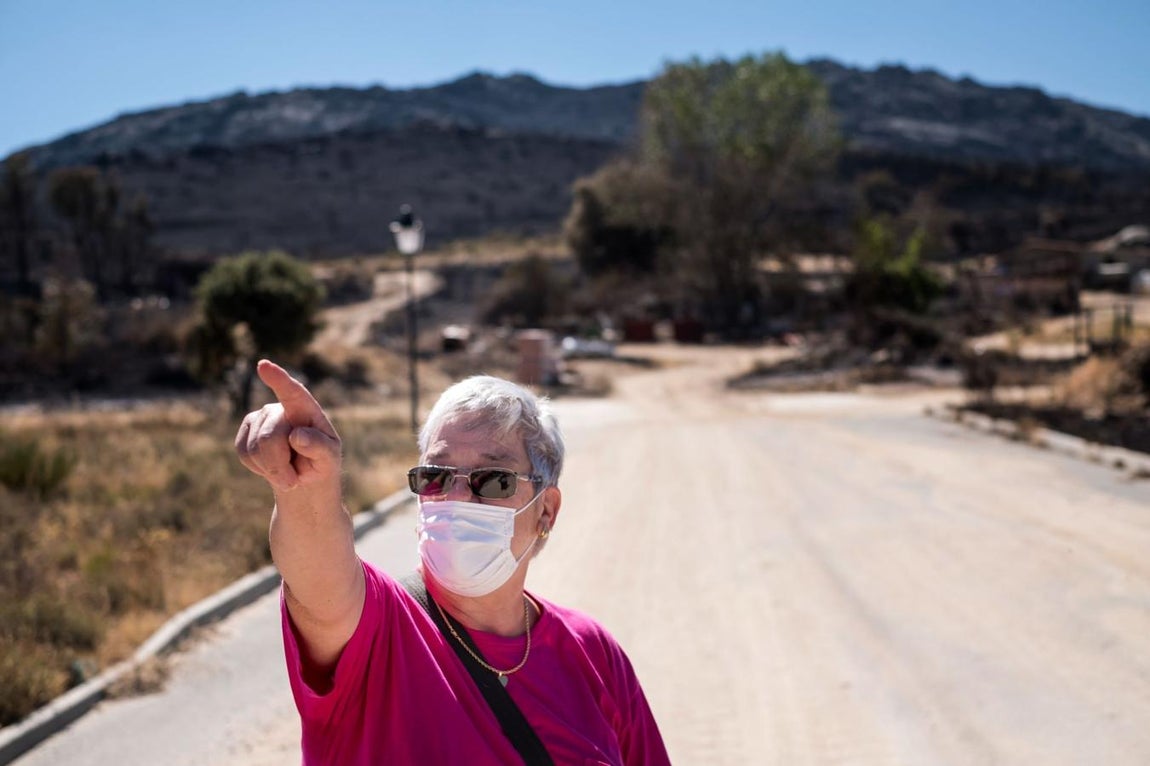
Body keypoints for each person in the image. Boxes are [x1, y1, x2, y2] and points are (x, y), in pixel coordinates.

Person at [236, 359, 671, 765]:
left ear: (546, 511)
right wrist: (304, 489)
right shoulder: (377, 627)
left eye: (493, 480)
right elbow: (319, 579)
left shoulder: (592, 653)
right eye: (436, 477)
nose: (457, 497)